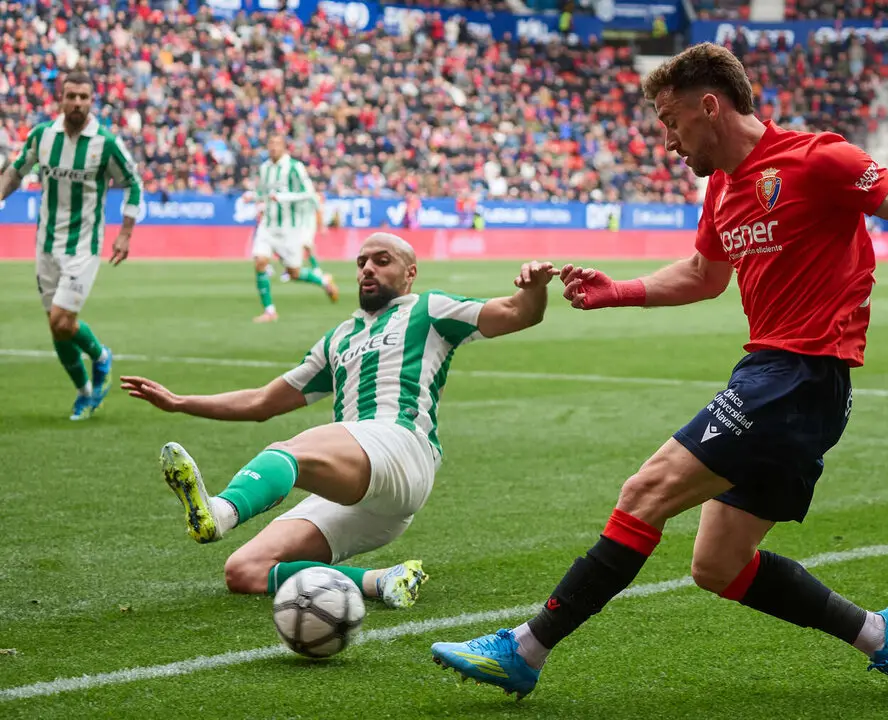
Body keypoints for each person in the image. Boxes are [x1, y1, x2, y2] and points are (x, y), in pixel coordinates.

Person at [430, 43, 888, 701]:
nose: (667, 140)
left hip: (799, 376)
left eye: (670, 121)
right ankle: (880, 635)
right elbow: (703, 275)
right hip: (781, 379)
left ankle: (525, 650)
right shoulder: (721, 187)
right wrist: (616, 291)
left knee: (646, 491)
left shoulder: (817, 159)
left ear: (709, 106)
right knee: (718, 564)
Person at [120, 233, 558, 608]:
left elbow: (519, 312)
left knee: (289, 452)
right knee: (245, 570)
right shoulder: (338, 339)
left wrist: (535, 288)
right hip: (363, 491)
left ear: (410, 273)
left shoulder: (429, 309)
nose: (368, 268)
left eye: (382, 261)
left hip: (401, 448)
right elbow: (262, 401)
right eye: (362, 261)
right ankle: (382, 580)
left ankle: (220, 513)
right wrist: (180, 403)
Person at [0, 70, 142, 420]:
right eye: (71, 96)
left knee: (63, 320)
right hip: (46, 243)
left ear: (92, 101)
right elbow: (16, 172)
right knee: (55, 326)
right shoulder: (42, 136)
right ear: (60, 99)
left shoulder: (105, 143)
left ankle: (100, 356)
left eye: (83, 97)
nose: (77, 103)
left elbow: (133, 183)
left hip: (83, 245)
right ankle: (84, 392)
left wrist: (125, 232)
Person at [248, 134, 339, 322]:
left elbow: (309, 193)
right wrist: (252, 196)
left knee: (294, 272)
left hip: (289, 229)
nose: (273, 147)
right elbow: (263, 193)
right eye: (271, 144)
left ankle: (323, 281)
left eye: (277, 144)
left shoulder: (294, 167)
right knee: (260, 262)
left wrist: (284, 197)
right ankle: (270, 311)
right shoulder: (265, 168)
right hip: (268, 225)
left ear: (284, 147)